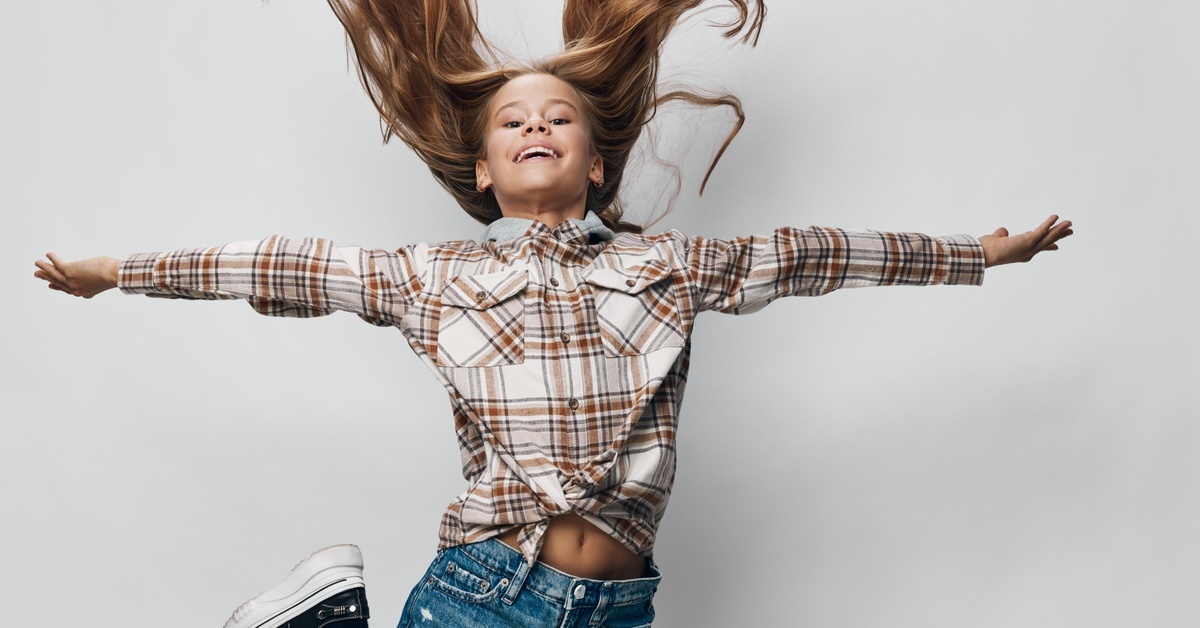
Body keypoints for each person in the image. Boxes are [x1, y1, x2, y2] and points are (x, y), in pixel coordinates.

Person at [32, 1, 1073, 626]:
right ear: (483, 170)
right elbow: (284, 266)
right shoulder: (431, 276)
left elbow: (811, 255)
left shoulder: (673, 264)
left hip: (621, 604)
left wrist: (977, 253)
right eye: (513, 121)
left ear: (596, 157)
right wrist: (119, 270)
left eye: (559, 115)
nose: (537, 123)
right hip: (486, 588)